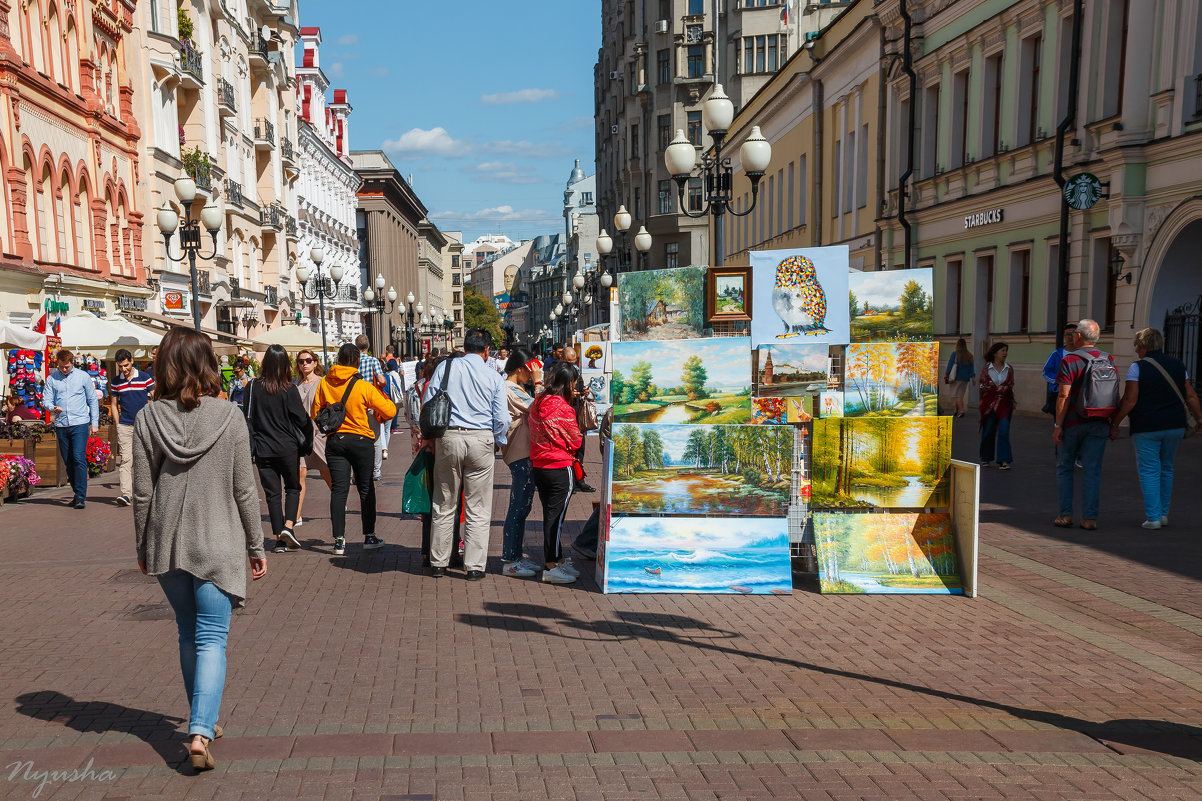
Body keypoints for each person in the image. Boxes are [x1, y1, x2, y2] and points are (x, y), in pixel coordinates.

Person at [132, 327, 266, 773]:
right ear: (207, 363)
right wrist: (256, 543)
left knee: (188, 633)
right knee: (212, 637)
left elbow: (143, 493)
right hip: (219, 540)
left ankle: (201, 720)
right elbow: (245, 490)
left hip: (169, 541)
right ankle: (200, 730)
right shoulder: (229, 416)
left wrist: (143, 543)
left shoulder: (149, 419)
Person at [422, 329, 508, 580]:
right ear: (487, 350)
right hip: (481, 437)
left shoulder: (445, 368)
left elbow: (429, 402)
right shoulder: (493, 376)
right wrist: (498, 441)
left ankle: (438, 561)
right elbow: (501, 418)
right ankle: (474, 566)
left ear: (465, 345)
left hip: (449, 437)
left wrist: (430, 437)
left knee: (444, 501)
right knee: (478, 507)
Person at [1109, 327, 1202, 530]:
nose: (1136, 351)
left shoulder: (1138, 368)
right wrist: (1199, 419)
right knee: (1167, 468)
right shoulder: (1178, 365)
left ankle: (1153, 518)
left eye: (1137, 347)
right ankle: (1163, 514)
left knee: (1149, 469)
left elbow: (1130, 400)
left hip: (1147, 426)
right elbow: (1191, 396)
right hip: (1175, 425)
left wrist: (1115, 423)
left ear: (1143, 346)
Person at [312, 343, 396, 555]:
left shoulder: (324, 383)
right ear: (358, 362)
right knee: (365, 488)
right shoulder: (363, 386)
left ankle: (339, 540)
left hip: (336, 441)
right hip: (361, 441)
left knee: (339, 490)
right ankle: (369, 535)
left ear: (338, 360)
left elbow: (315, 411)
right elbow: (390, 410)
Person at [247, 345, 314, 554]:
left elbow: (248, 419)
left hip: (263, 449)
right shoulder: (289, 389)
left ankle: (279, 539)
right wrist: (307, 441)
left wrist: (252, 447)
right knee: (293, 488)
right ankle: (288, 527)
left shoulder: (252, 387)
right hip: (287, 447)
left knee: (272, 494)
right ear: (285, 364)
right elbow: (302, 419)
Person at [1053, 319, 1115, 530]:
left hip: (1072, 423)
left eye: (1074, 333)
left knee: (1065, 467)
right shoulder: (1109, 359)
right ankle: (1089, 518)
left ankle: (1065, 515)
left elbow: (1063, 395)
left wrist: (1057, 426)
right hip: (1099, 421)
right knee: (1092, 470)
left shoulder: (1069, 360)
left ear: (1079, 336)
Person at [529, 361, 585, 585]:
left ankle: (558, 559)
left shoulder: (538, 401)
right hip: (560, 466)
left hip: (539, 465)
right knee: (556, 518)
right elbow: (576, 439)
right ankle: (551, 564)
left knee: (551, 516)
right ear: (569, 383)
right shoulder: (563, 407)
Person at [500, 347, 544, 578]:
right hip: (519, 453)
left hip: (523, 452)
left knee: (522, 507)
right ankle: (510, 560)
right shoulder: (509, 389)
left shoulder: (514, 387)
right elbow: (540, 408)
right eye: (529, 370)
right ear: (519, 369)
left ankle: (515, 557)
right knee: (517, 508)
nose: (532, 374)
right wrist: (538, 383)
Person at [45, 349, 99, 509]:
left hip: (80, 423)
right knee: (68, 461)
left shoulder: (83, 377)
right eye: (61, 367)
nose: (63, 370)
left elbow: (92, 400)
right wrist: (52, 407)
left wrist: (94, 423)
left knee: (78, 457)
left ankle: (81, 496)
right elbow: (46, 399)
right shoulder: (52, 378)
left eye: (66, 367)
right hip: (62, 424)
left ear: (72, 363)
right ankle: (77, 492)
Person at [109, 348, 156, 507]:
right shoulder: (116, 381)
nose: (124, 369)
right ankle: (126, 494)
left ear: (132, 361)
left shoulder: (144, 377)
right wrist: (118, 424)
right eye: (120, 366)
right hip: (125, 425)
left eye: (126, 365)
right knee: (126, 460)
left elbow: (155, 398)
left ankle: (147, 492)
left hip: (144, 424)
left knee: (145, 459)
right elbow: (114, 405)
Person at [293, 348, 331, 528]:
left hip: (318, 433)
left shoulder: (323, 382)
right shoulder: (295, 385)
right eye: (301, 361)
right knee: (300, 472)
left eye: (308, 360)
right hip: (300, 435)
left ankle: (339, 499)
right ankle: (297, 515)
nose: (305, 364)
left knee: (326, 471)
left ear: (315, 363)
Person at [559, 346, 597, 493]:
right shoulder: (557, 372)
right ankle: (569, 481)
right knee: (568, 449)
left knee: (580, 448)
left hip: (577, 414)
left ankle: (579, 479)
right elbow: (555, 392)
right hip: (564, 415)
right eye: (569, 361)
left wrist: (584, 392)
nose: (572, 365)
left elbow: (580, 387)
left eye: (574, 361)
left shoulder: (576, 371)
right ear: (562, 358)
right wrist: (570, 394)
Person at [355, 334, 388, 481]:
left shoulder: (352, 362)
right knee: (376, 439)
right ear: (368, 347)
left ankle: (357, 474)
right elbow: (381, 380)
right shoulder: (373, 361)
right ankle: (376, 471)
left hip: (355, 406)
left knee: (356, 439)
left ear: (356, 347)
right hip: (371, 405)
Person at [978, 341, 1015, 469]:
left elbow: (1010, 384)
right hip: (989, 405)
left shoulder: (1009, 368)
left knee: (1004, 430)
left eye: (1006, 351)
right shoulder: (986, 369)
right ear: (995, 353)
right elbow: (982, 386)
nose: (1005, 353)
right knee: (988, 431)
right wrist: (992, 392)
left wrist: (1003, 389)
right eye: (1002, 351)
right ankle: (986, 457)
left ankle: (1004, 460)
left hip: (1005, 404)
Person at [1041, 325, 1077, 415]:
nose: (1070, 337)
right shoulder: (1056, 354)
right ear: (1064, 337)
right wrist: (1060, 380)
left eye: (1073, 334)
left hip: (1077, 394)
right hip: (1059, 393)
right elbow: (1046, 372)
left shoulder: (1083, 354)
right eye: (1067, 334)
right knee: (1059, 420)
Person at [943, 338, 974, 418]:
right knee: (960, 395)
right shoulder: (969, 355)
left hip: (956, 378)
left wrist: (947, 374)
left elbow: (950, 365)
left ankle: (961, 411)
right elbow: (971, 367)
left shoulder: (955, 354)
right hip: (965, 379)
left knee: (957, 396)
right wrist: (973, 377)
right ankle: (956, 410)